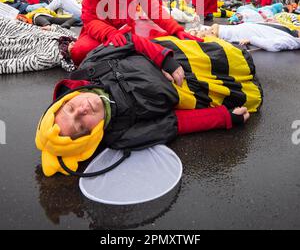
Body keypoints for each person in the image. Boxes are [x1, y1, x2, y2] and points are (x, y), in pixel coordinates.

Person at [35, 33, 263, 177]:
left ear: (65, 100)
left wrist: (165, 59)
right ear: (90, 136)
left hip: (174, 58)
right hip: (188, 92)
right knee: (252, 97)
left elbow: (131, 40)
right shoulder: (122, 134)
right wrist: (225, 118)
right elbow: (175, 123)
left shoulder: (92, 64)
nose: (82, 110)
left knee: (235, 57)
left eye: (71, 109)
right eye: (81, 124)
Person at [191, 23, 300, 52]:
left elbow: (273, 46)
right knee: (212, 28)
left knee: (213, 29)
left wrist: (251, 40)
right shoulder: (288, 31)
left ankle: (197, 34)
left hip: (236, 33)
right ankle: (197, 32)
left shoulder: (291, 40)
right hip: (238, 29)